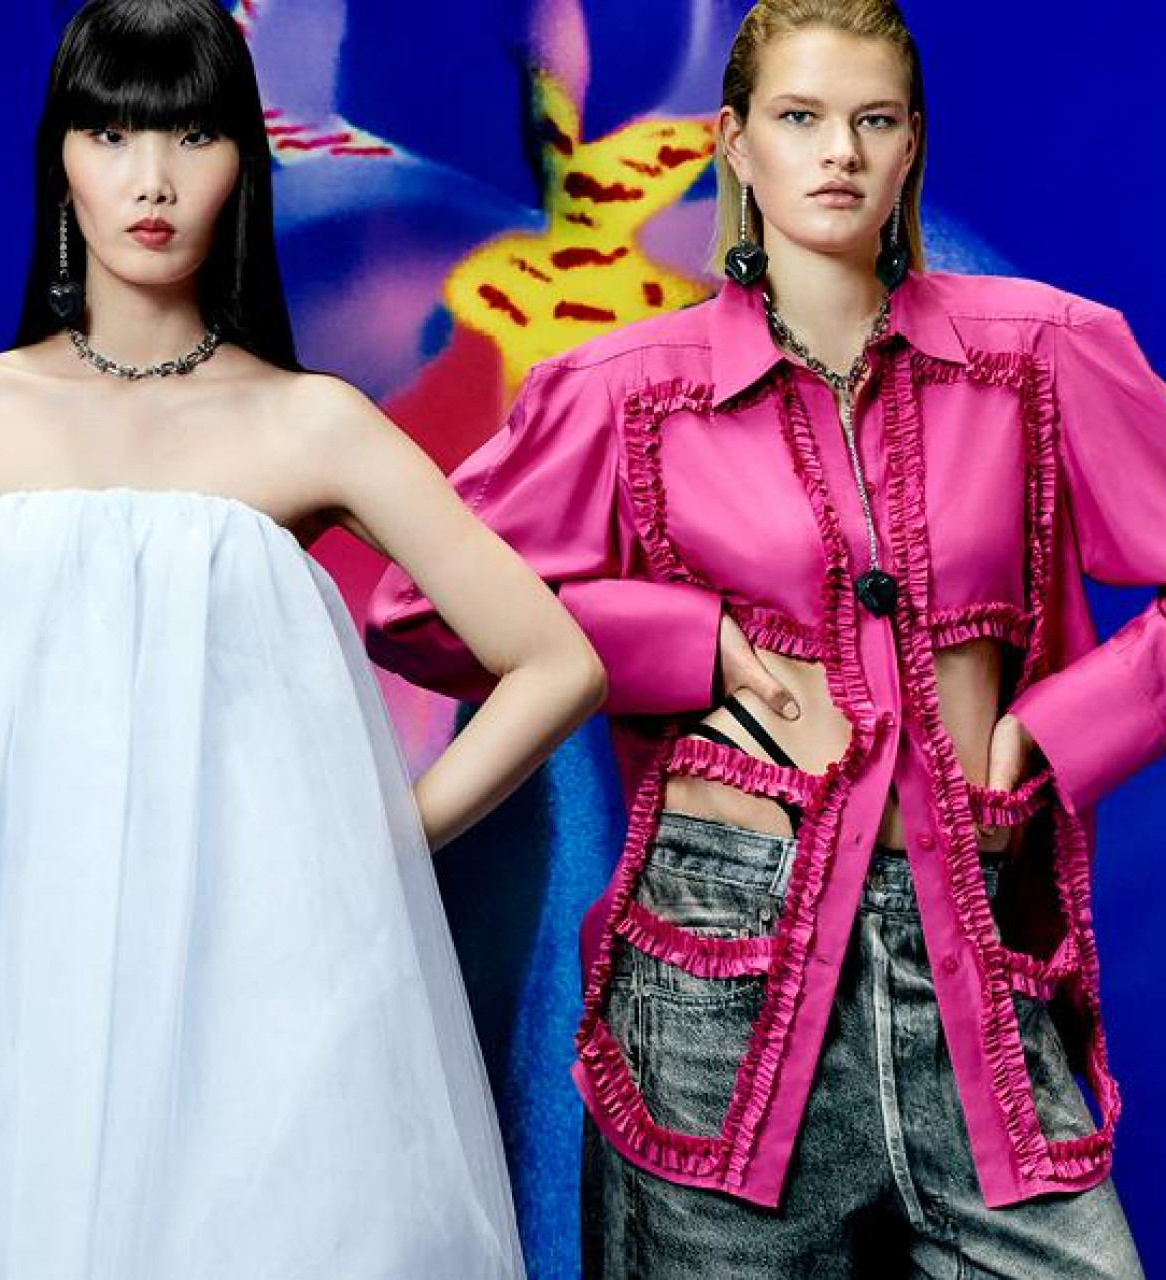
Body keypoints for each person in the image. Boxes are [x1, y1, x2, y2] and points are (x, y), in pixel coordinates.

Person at [366, 1, 1160, 1274]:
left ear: (910, 144)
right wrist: (692, 642)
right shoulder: (622, 387)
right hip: (718, 975)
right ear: (733, 141)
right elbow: (414, 608)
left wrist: (1054, 728)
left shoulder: (1038, 353)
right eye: (799, 118)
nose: (837, 151)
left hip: (969, 952)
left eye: (872, 120)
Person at [0, 1, 608, 1275]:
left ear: (247, 157)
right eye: (111, 133)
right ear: (61, 156)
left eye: (193, 134)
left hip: (256, 972)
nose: (151, 180)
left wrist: (380, 838)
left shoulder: (310, 422)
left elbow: (556, 661)